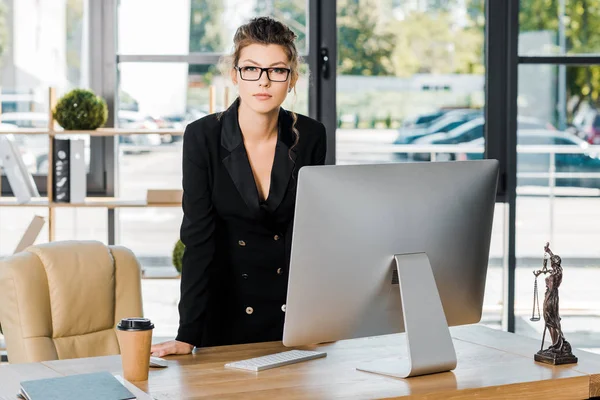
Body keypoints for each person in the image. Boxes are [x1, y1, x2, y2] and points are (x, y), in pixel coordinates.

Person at [151, 16, 327, 357]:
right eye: (251, 69)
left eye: (277, 70)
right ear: (235, 75)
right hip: (225, 315)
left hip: (290, 317)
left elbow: (310, 235)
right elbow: (198, 238)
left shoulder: (311, 135)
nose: (263, 81)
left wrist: (319, 317)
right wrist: (187, 332)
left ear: (292, 79)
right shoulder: (202, 136)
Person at [534, 243, 568, 353]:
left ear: (553, 263)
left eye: (551, 262)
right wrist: (549, 251)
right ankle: (555, 343)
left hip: (551, 297)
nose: (551, 263)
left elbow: (551, 287)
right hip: (553, 296)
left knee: (550, 319)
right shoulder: (558, 271)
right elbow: (554, 261)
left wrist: (546, 302)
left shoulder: (555, 275)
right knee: (552, 320)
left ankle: (556, 344)